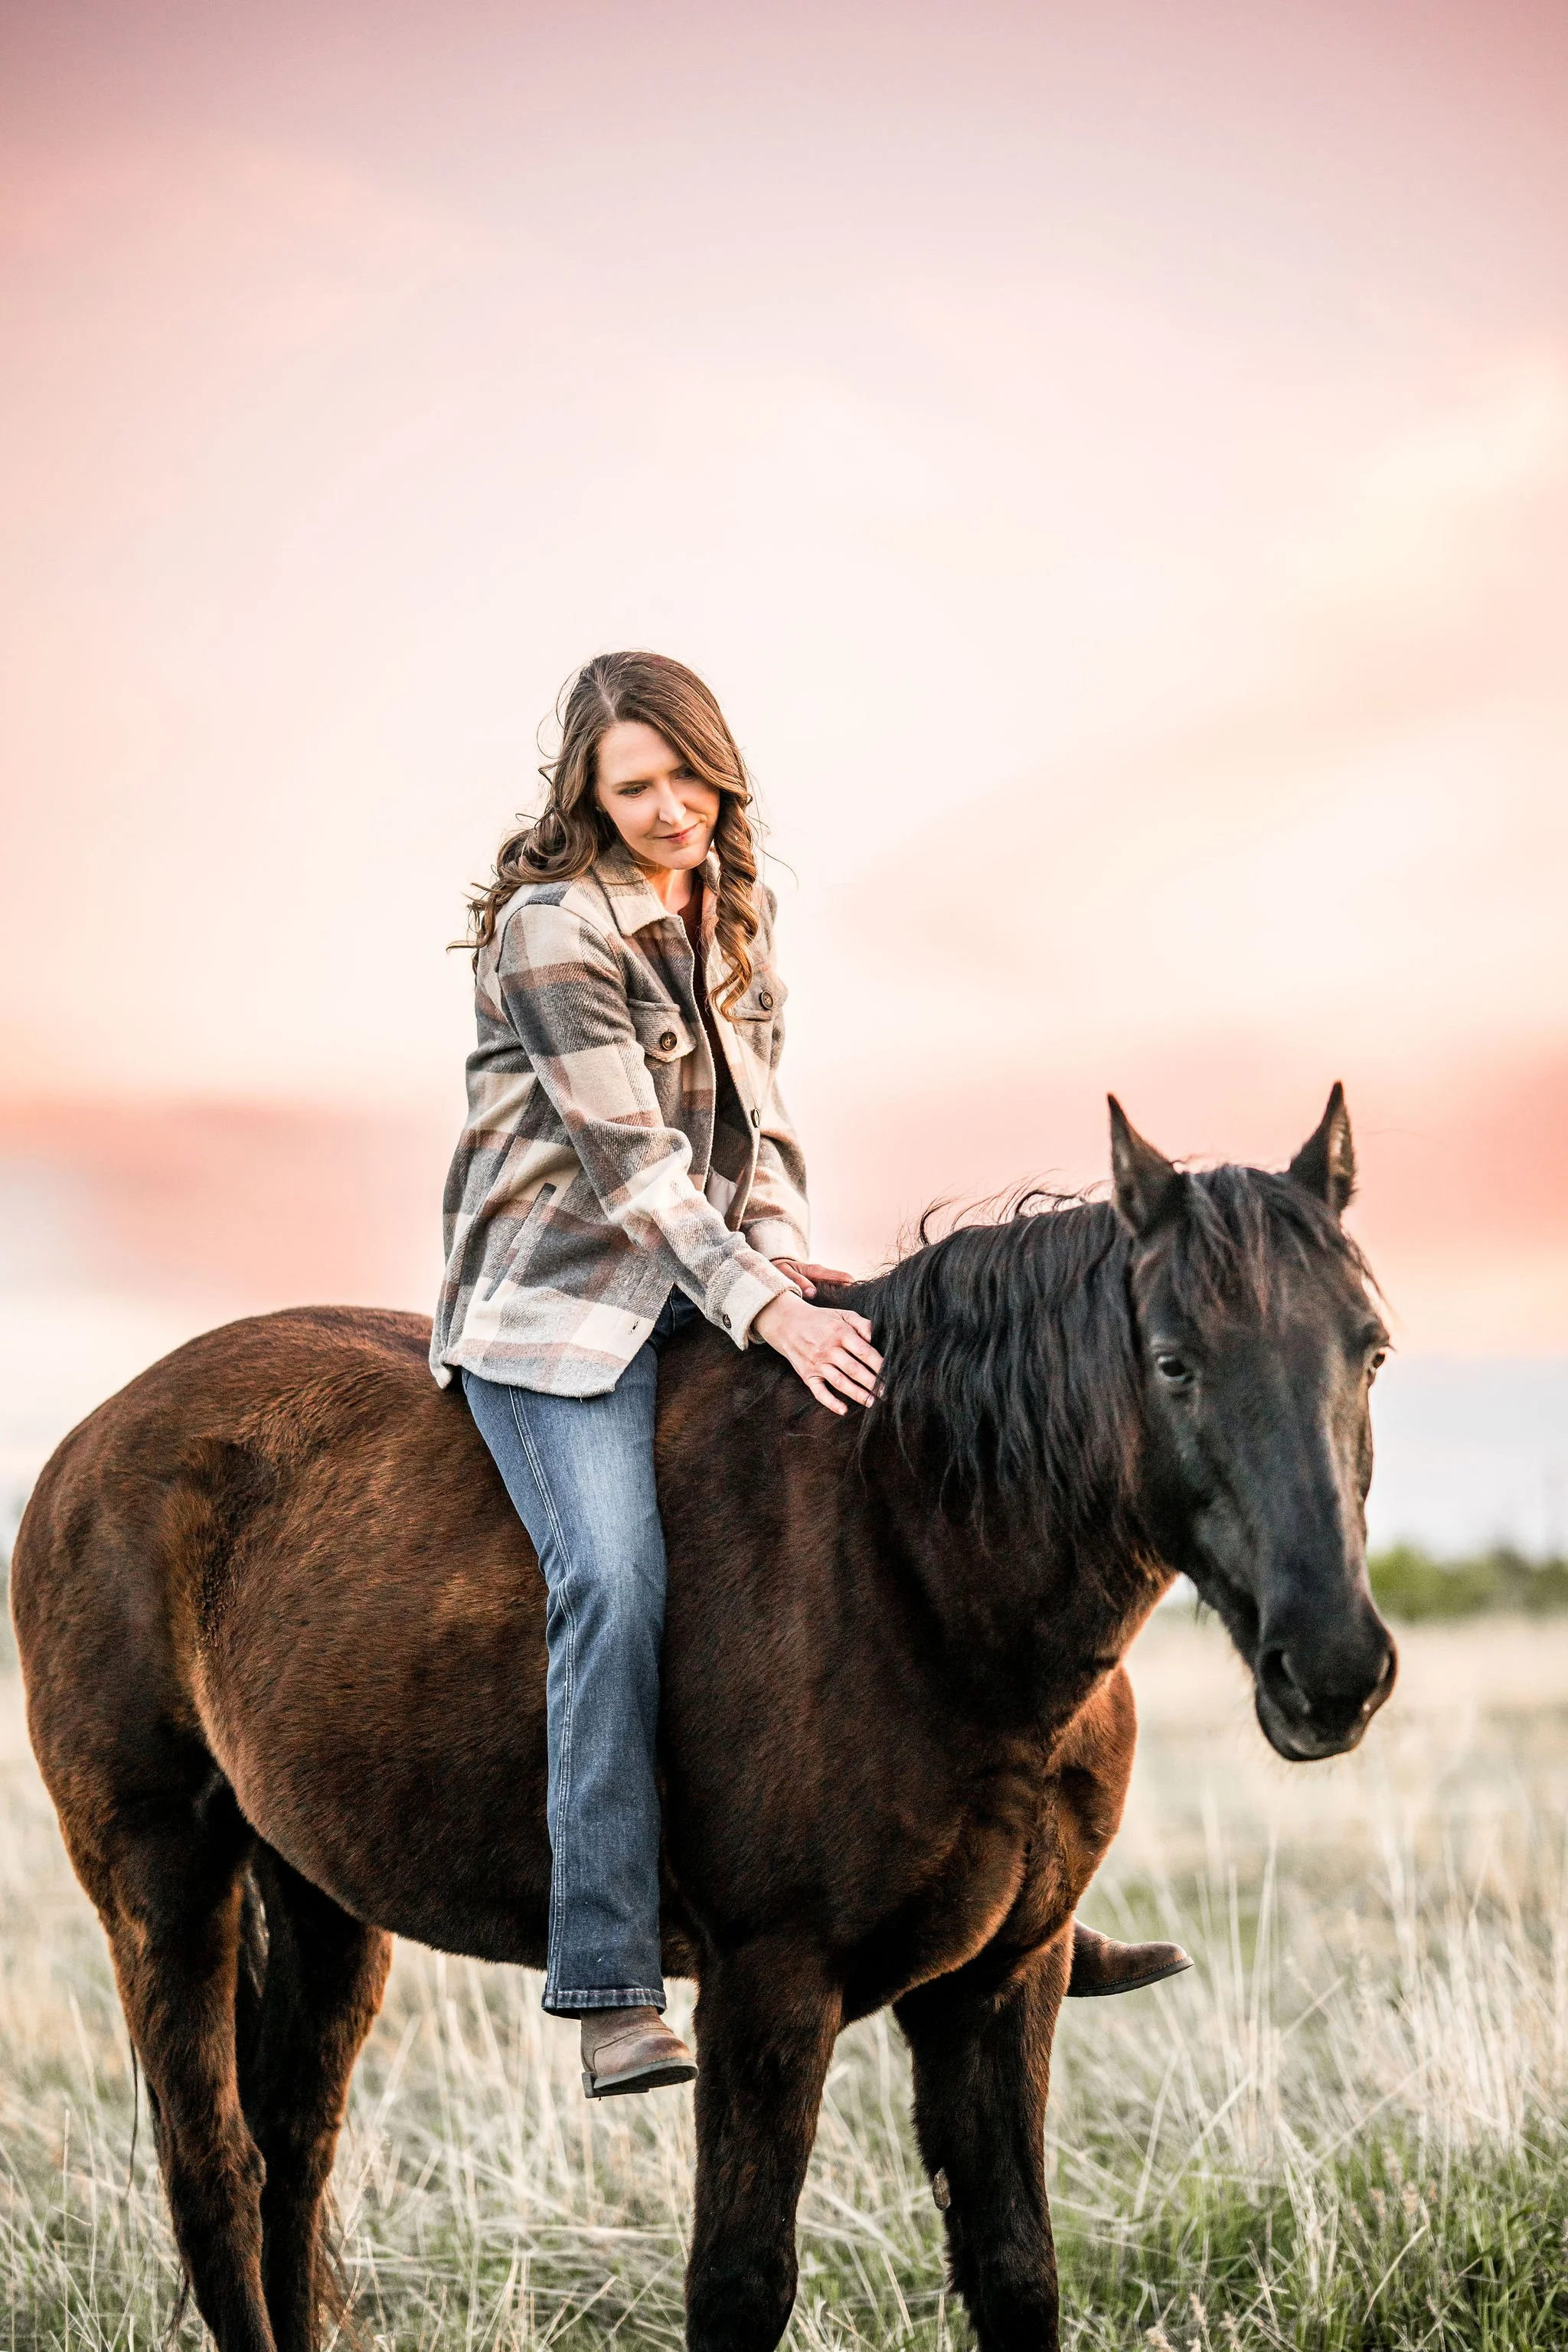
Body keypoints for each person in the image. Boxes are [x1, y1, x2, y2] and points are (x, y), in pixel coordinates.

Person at [432, 650, 1181, 2101]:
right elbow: (634, 1172)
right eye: (633, 788)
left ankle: (1013, 1890)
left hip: (706, 1280)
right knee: (614, 1581)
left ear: (721, 769)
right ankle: (610, 1975)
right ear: (587, 797)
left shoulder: (732, 914)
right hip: (558, 1313)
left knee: (933, 1490)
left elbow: (761, 1135)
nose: (669, 810)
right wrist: (765, 1308)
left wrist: (784, 1259)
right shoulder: (550, 932)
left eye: (686, 778)